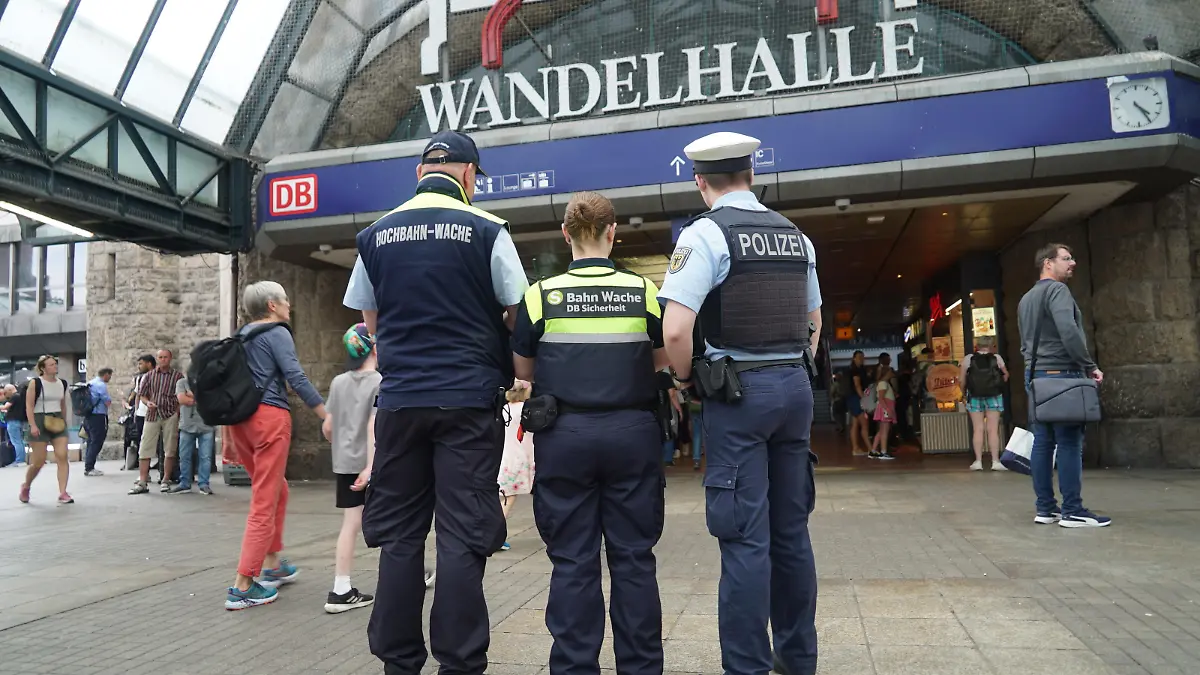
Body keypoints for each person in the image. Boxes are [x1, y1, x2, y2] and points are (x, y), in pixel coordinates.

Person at [342, 130, 528, 675]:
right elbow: (517, 315)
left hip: (400, 403)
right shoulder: (488, 229)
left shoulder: (374, 235)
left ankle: (399, 662)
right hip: (469, 403)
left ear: (420, 173)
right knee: (463, 531)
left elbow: (369, 323)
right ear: (469, 175)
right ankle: (460, 662)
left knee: (400, 533)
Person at [659, 132, 823, 675]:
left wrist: (686, 381)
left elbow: (677, 328)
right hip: (795, 388)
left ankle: (748, 666)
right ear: (752, 176)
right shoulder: (796, 236)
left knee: (744, 538)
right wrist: (795, 365)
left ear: (701, 182)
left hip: (739, 393)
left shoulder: (706, 234)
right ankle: (798, 660)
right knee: (791, 533)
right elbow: (814, 321)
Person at [511, 191, 668, 675]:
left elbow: (524, 371)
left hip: (565, 437)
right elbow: (661, 361)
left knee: (573, 561)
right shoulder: (644, 292)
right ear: (613, 232)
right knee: (634, 559)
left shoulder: (539, 295)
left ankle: (576, 666)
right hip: (633, 433)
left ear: (565, 234)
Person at [225, 281, 328, 610]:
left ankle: (272, 564)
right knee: (264, 501)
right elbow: (295, 378)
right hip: (270, 420)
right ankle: (243, 585)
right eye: (285, 299)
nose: (289, 304)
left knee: (276, 490)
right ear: (272, 305)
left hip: (240, 421)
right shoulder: (278, 332)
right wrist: (327, 415)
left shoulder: (241, 335)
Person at [1018, 243, 1110, 528]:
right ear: (1048, 263)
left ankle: (1045, 508)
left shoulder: (1026, 299)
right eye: (1066, 259)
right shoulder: (1058, 291)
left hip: (1037, 376)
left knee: (1043, 443)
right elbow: (1068, 331)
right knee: (1070, 442)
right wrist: (1089, 365)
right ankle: (1073, 510)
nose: (1073, 263)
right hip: (1062, 375)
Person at [321, 323, 382, 614]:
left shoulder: (338, 382)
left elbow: (328, 426)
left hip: (345, 464)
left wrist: (341, 444)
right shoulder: (380, 382)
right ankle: (410, 572)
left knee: (350, 524)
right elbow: (374, 427)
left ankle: (341, 587)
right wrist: (370, 466)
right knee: (395, 519)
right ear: (373, 348)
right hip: (372, 464)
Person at [19, 355, 72, 505]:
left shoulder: (62, 383)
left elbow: (62, 404)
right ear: (42, 368)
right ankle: (26, 486)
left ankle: (63, 492)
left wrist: (65, 420)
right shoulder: (36, 383)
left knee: (62, 455)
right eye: (51, 365)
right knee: (38, 462)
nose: (55, 367)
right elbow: (29, 405)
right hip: (39, 419)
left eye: (55, 364)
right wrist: (33, 425)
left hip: (57, 420)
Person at [129, 349, 183, 494]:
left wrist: (177, 411)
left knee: (169, 449)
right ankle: (142, 480)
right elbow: (142, 395)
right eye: (160, 357)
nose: (163, 359)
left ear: (170, 358)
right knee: (145, 447)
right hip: (152, 415)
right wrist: (148, 403)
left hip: (170, 414)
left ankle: (165, 479)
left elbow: (181, 395)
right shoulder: (149, 376)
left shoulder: (177, 376)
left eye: (165, 357)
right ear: (157, 359)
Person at [959, 336, 1009, 471]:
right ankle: (995, 461)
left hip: (974, 396)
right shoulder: (997, 358)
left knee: (978, 429)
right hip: (994, 395)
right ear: (992, 345)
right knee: (993, 429)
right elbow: (1006, 374)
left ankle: (978, 461)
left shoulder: (969, 358)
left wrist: (963, 393)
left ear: (977, 346)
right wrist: (998, 385)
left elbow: (962, 380)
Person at [497, 383, 534, 552]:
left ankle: (492, 532)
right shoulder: (525, 409)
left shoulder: (504, 409)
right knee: (508, 497)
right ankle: (495, 534)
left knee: (504, 495)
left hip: (504, 455)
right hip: (520, 456)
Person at [169, 376, 216, 494]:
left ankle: (204, 484)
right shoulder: (182, 382)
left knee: (205, 457)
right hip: (187, 425)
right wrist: (200, 398)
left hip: (206, 424)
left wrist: (191, 395)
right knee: (184, 456)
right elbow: (182, 399)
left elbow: (213, 400)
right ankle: (184, 483)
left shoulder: (210, 382)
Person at [83, 368, 113, 477]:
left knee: (90, 441)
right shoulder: (101, 385)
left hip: (88, 415)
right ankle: (89, 467)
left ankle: (88, 466)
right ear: (106, 374)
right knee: (97, 441)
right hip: (98, 416)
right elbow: (107, 402)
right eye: (110, 376)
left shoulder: (90, 383)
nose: (110, 378)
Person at [868, 353, 897, 460]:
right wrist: (888, 409)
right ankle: (883, 452)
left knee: (881, 431)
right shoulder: (883, 383)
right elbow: (881, 398)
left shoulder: (882, 383)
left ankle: (874, 450)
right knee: (885, 430)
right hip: (885, 407)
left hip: (883, 407)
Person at [846, 351, 871, 456]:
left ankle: (856, 448)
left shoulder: (857, 370)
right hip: (856, 398)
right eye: (859, 357)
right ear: (854, 358)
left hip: (852, 399)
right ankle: (871, 449)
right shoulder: (856, 371)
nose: (861, 359)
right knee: (864, 424)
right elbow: (857, 386)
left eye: (862, 357)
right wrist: (864, 399)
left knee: (855, 424)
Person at [2, 383, 26, 467]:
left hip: (13, 422)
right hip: (19, 421)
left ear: (9, 390)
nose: (6, 395)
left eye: (5, 392)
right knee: (20, 441)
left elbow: (5, 407)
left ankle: (19, 460)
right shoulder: (20, 397)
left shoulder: (14, 397)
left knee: (16, 442)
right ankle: (22, 459)